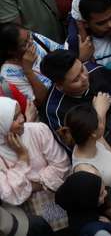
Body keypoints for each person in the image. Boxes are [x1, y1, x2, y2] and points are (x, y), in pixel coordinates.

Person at [40, 49, 111, 160]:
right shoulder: (55, 112)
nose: (85, 78)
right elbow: (83, 152)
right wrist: (99, 114)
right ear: (60, 85)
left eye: (82, 69)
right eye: (76, 79)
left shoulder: (97, 71)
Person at [0, 97, 70, 230]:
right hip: (25, 217)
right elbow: (10, 195)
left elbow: (62, 166)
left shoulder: (37, 131)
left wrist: (29, 185)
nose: (22, 119)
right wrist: (22, 158)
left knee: (62, 230)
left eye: (20, 113)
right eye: (14, 118)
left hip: (55, 197)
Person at [0, 23, 62, 104]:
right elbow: (44, 101)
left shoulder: (35, 39)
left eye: (29, 35)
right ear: (11, 51)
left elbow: (63, 53)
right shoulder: (9, 76)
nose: (31, 42)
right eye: (25, 44)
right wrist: (28, 71)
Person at [54, 171, 111, 236]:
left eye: (104, 189)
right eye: (101, 194)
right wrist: (110, 226)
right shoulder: (94, 231)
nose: (106, 193)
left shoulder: (85, 207)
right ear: (88, 201)